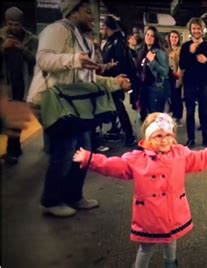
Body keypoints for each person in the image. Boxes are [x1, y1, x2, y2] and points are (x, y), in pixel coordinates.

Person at [72, 112, 207, 268]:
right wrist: (90, 159)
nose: (164, 139)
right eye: (158, 136)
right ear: (147, 138)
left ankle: (170, 263)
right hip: (150, 215)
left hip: (172, 212)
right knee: (147, 247)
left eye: (168, 134)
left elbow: (200, 159)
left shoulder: (181, 154)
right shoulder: (136, 160)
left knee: (171, 240)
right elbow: (112, 165)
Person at [27, 0, 131, 217]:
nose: (93, 17)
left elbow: (89, 79)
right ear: (73, 12)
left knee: (83, 150)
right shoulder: (57, 30)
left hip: (72, 102)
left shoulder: (83, 40)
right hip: (53, 101)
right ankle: (51, 200)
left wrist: (115, 83)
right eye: (87, 12)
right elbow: (43, 59)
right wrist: (74, 59)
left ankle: (74, 196)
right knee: (65, 150)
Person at [0, 6, 38, 165]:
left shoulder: (32, 40)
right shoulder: (1, 37)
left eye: (17, 24)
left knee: (16, 119)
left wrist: (23, 50)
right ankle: (14, 150)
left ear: (22, 24)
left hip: (22, 84)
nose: (13, 27)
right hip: (4, 84)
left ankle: (12, 151)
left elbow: (38, 61)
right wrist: (3, 48)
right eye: (10, 23)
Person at [179, 17, 207, 148]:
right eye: (194, 28)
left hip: (204, 84)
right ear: (190, 30)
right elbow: (182, 64)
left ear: (203, 30)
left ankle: (206, 138)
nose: (196, 31)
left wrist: (206, 61)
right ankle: (191, 139)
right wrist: (191, 53)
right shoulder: (185, 46)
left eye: (198, 28)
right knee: (190, 112)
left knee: (204, 112)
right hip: (189, 84)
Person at [100, 16, 137, 147]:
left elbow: (120, 63)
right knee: (115, 106)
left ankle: (129, 135)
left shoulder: (117, 42)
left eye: (102, 27)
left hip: (115, 80)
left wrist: (118, 81)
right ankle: (116, 129)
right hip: (111, 80)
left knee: (119, 107)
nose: (101, 30)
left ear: (108, 27)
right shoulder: (113, 41)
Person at [136, 26, 170, 118]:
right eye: (147, 35)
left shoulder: (159, 52)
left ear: (156, 38)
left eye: (152, 36)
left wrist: (153, 62)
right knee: (145, 116)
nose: (149, 37)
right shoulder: (142, 51)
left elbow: (165, 72)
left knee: (155, 116)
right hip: (144, 88)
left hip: (155, 88)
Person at [166, 30, 184, 127]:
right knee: (170, 96)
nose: (173, 39)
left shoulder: (180, 50)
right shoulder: (167, 50)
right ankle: (172, 114)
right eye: (172, 37)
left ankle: (178, 117)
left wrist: (179, 78)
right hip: (168, 76)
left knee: (177, 97)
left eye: (175, 37)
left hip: (176, 76)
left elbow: (181, 65)